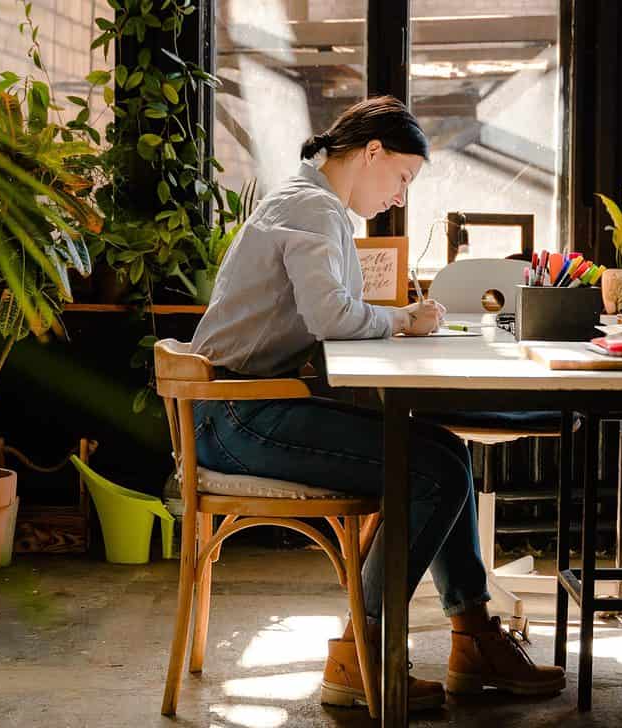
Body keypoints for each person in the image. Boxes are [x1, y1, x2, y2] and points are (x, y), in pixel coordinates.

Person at [189, 96, 564, 713]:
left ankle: (471, 639)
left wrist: (396, 322)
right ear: (371, 153)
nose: (400, 195)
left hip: (242, 405)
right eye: (403, 177)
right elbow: (330, 316)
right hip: (238, 414)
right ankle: (362, 657)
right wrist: (406, 321)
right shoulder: (314, 208)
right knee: (436, 468)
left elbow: (323, 316)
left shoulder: (304, 200)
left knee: (443, 452)